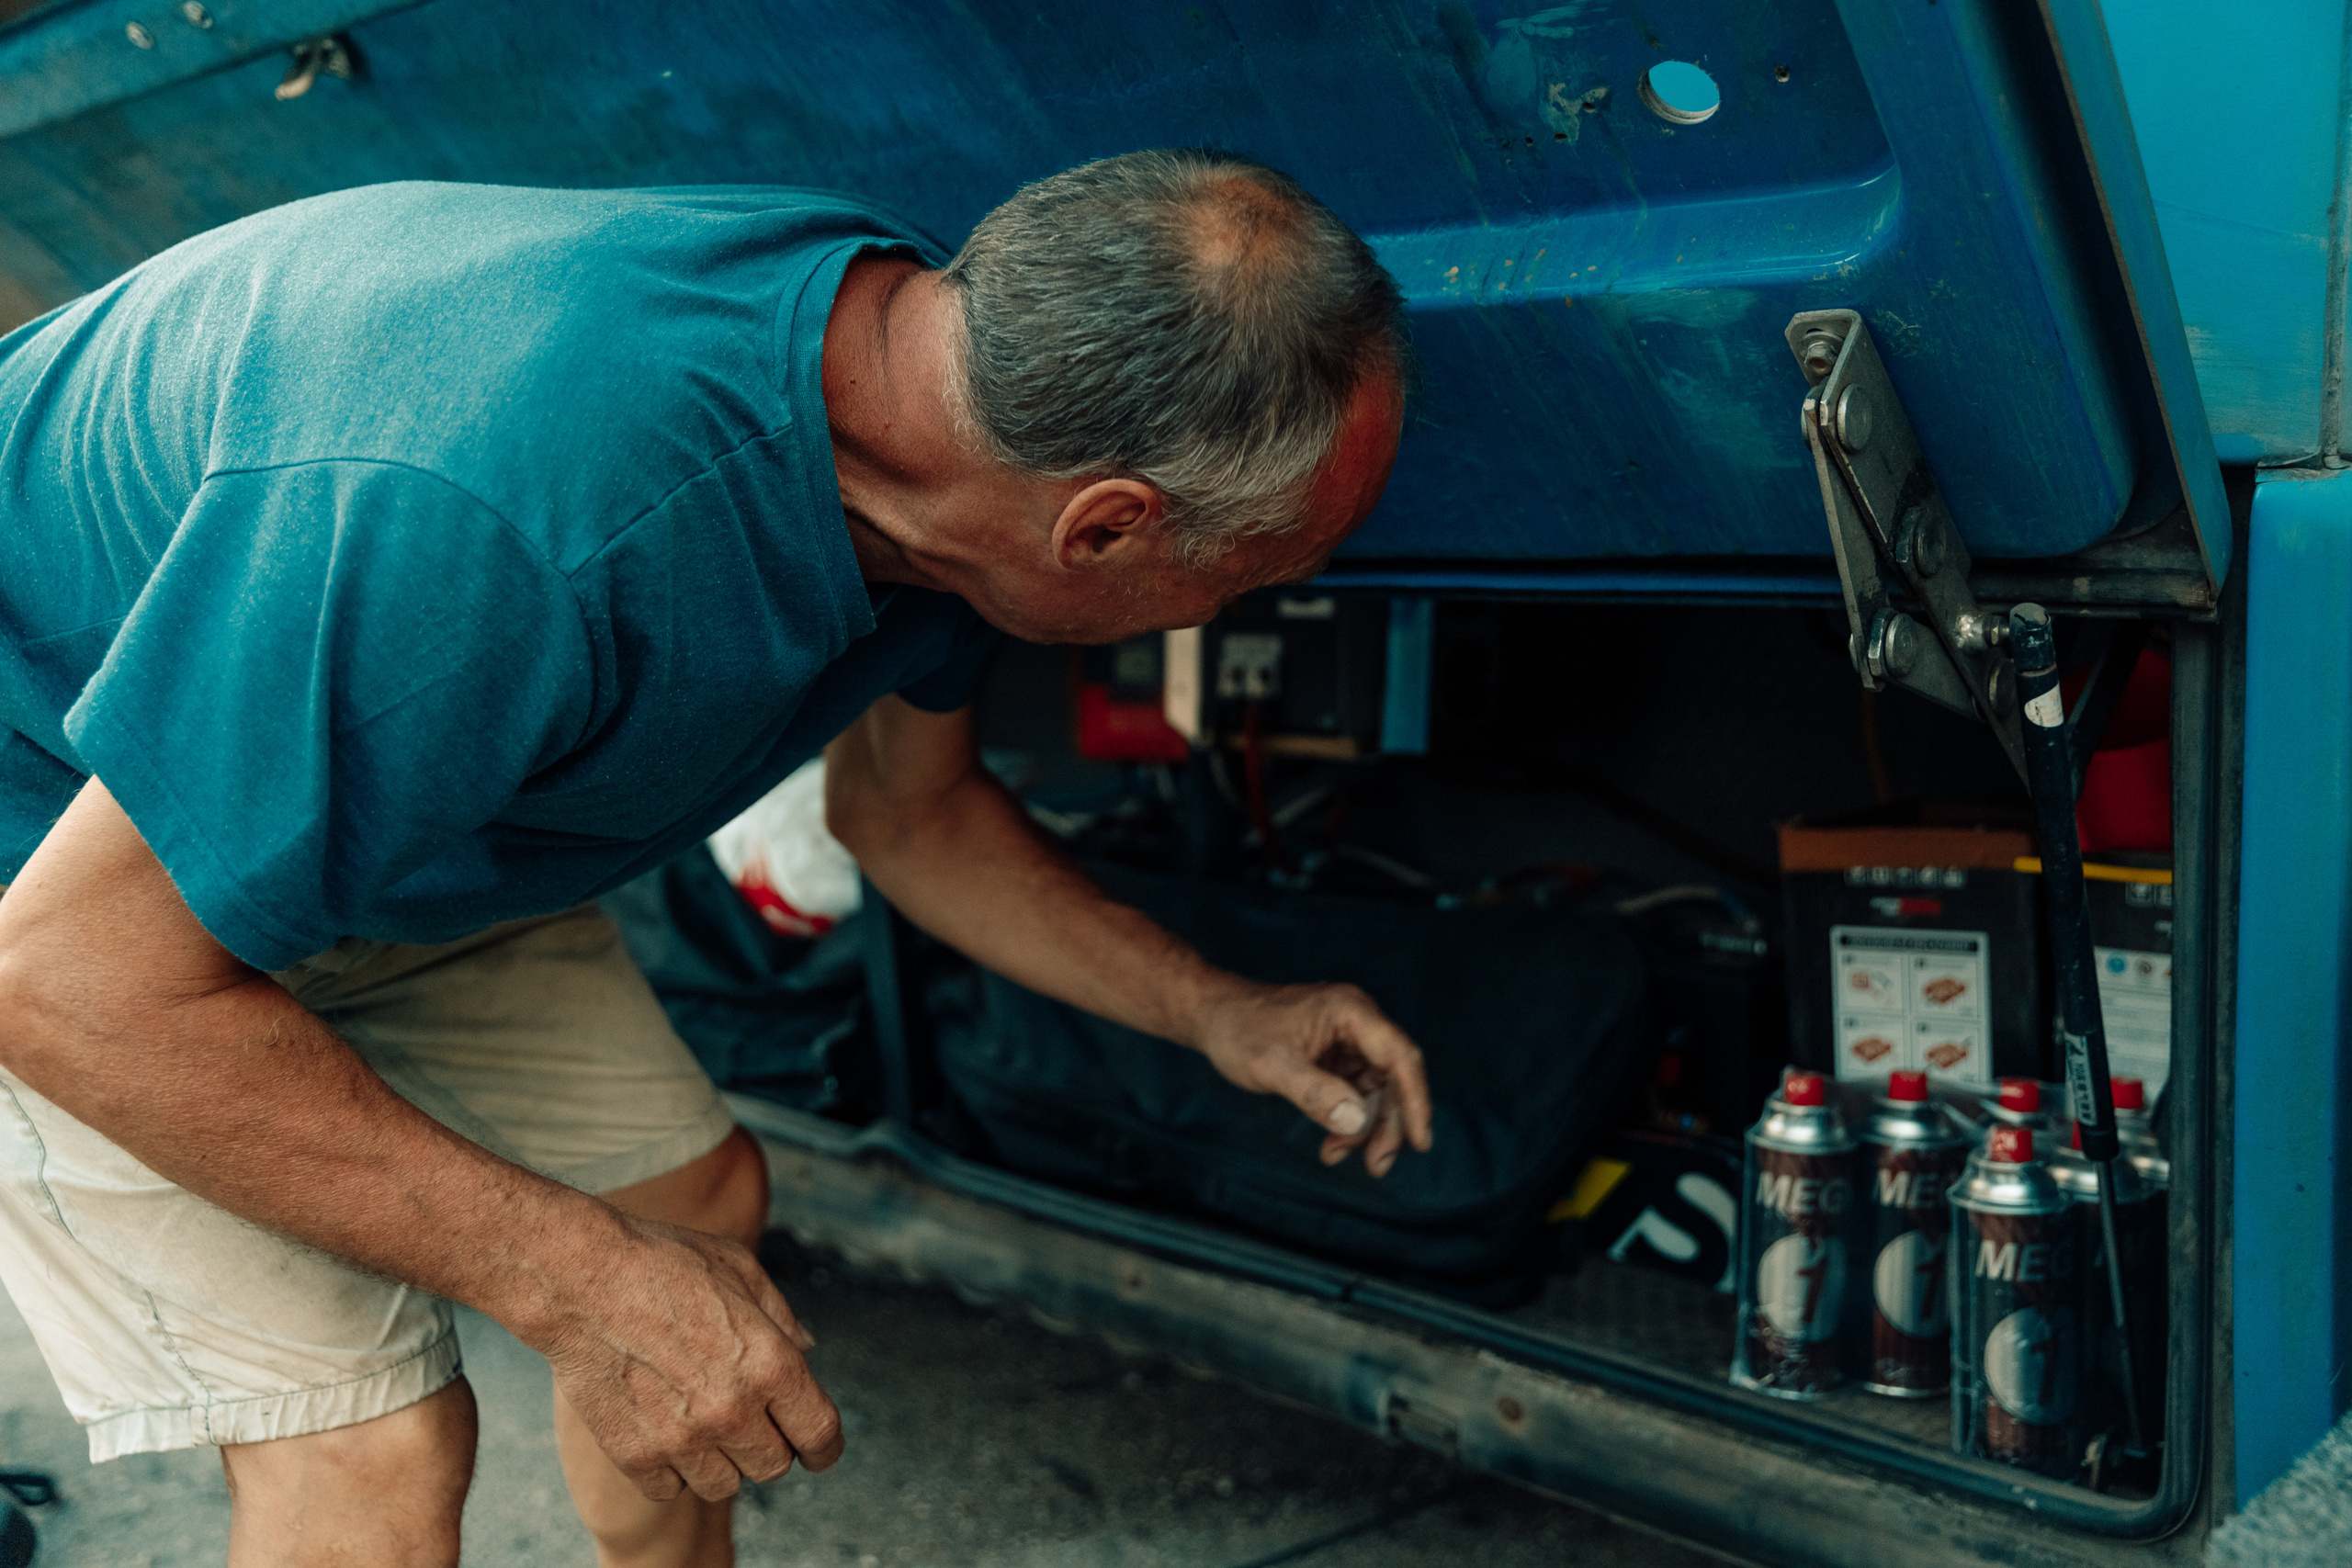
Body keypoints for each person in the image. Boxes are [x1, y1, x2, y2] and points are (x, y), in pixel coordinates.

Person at [0, 149, 1430, 1567]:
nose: (1218, 615)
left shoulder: (955, 413)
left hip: (367, 807)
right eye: (1245, 577)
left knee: (695, 1224)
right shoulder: (509, 516)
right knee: (370, 1446)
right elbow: (71, 983)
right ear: (1107, 527)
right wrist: (575, 1280)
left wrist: (1216, 1009)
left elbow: (909, 817)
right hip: (63, 865)